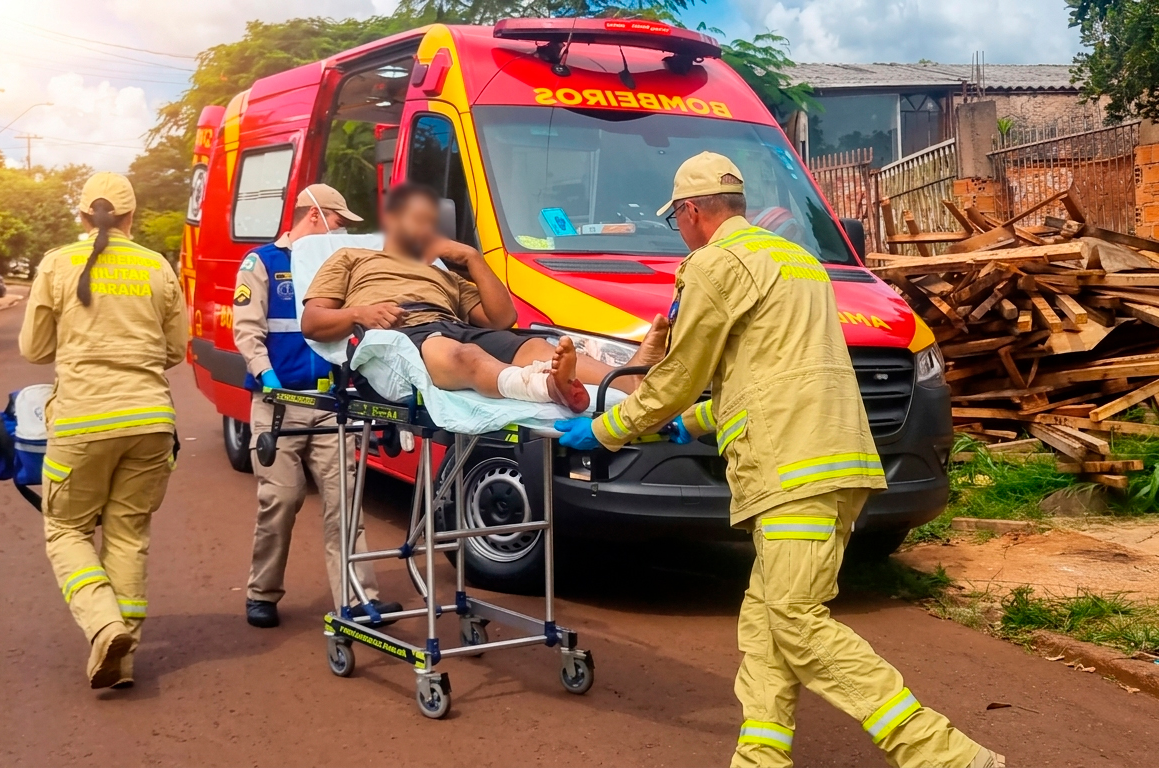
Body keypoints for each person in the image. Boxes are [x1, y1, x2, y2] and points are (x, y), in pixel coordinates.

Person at [555, 152, 1003, 768]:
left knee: (795, 619)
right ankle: (760, 759)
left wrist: (605, 431)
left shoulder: (714, 265)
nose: (679, 231)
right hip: (833, 457)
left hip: (791, 471)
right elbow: (773, 379)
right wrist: (690, 425)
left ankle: (946, 756)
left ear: (690, 211)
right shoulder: (800, 261)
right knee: (766, 621)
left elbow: (678, 377)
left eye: (677, 219)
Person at [19, 172, 187, 690]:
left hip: (83, 419)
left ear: (82, 216)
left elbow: (34, 349)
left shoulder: (57, 264)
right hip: (151, 422)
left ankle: (103, 625)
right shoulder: (158, 266)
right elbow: (175, 351)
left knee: (66, 529)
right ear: (131, 217)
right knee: (128, 535)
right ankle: (122, 656)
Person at [301, 183, 668, 406]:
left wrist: (471, 258)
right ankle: (542, 387)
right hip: (404, 330)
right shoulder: (352, 257)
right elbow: (313, 322)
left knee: (537, 347)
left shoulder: (441, 274)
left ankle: (631, 379)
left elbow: (500, 319)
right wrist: (360, 313)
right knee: (465, 353)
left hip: (448, 322)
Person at [232, 183, 402, 628]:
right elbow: (247, 330)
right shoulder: (263, 263)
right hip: (279, 405)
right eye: (339, 221)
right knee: (282, 499)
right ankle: (262, 591)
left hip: (330, 403)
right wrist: (266, 374)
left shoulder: (336, 267)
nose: (342, 230)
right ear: (315, 216)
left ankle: (360, 599)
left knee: (345, 502)